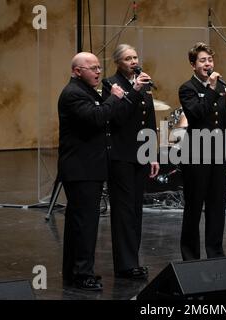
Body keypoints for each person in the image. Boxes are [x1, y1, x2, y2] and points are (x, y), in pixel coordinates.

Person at [58, 52, 141, 290]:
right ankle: (82, 273)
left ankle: (74, 271)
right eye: (92, 68)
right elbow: (97, 118)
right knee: (85, 223)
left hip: (88, 168)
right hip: (81, 169)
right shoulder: (73, 94)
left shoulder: (85, 91)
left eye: (98, 67)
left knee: (79, 222)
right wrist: (114, 98)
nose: (97, 72)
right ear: (77, 71)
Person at [102, 44, 159, 279]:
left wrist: (153, 153)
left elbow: (150, 120)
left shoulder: (142, 83)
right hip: (121, 154)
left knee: (136, 209)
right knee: (123, 210)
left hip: (140, 154)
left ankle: (132, 259)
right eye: (128, 59)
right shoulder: (110, 85)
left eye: (135, 57)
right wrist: (134, 90)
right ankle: (125, 265)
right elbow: (116, 118)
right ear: (118, 62)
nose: (134, 62)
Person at [178, 42, 226, 261]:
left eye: (210, 60)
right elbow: (197, 115)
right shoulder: (187, 88)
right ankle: (190, 255)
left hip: (218, 155)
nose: (208, 64)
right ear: (193, 65)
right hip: (196, 155)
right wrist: (210, 89)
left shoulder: (220, 87)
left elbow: (225, 120)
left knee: (217, 206)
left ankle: (215, 252)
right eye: (202, 60)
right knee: (194, 208)